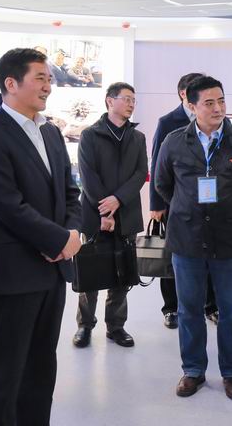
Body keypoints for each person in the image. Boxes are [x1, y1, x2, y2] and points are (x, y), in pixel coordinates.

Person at [0, 48, 82, 426]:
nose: (48, 86)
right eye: (40, 78)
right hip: (14, 271)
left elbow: (70, 192)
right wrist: (57, 241)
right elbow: (7, 205)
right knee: (4, 373)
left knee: (40, 367)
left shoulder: (50, 131)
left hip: (52, 271)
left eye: (49, 79)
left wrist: (72, 234)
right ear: (11, 83)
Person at [155, 75, 232, 400]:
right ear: (191, 106)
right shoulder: (174, 141)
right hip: (187, 238)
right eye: (209, 102)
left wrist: (227, 208)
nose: (218, 108)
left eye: (222, 101)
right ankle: (193, 370)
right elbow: (163, 184)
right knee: (189, 309)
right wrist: (188, 207)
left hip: (230, 238)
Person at [73, 82, 148, 349]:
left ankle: (116, 326)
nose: (131, 104)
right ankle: (85, 325)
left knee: (122, 273)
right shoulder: (90, 135)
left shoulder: (137, 137)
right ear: (109, 101)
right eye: (126, 98)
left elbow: (140, 173)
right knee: (90, 272)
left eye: (133, 100)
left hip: (127, 214)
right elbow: (88, 176)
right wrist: (104, 210)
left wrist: (118, 199)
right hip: (96, 215)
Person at [149, 72, 218, 329]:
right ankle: (171, 308)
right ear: (184, 94)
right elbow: (157, 165)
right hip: (177, 203)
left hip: (211, 205)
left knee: (211, 254)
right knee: (173, 257)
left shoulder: (216, 121)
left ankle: (211, 305)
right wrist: (157, 204)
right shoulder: (168, 122)